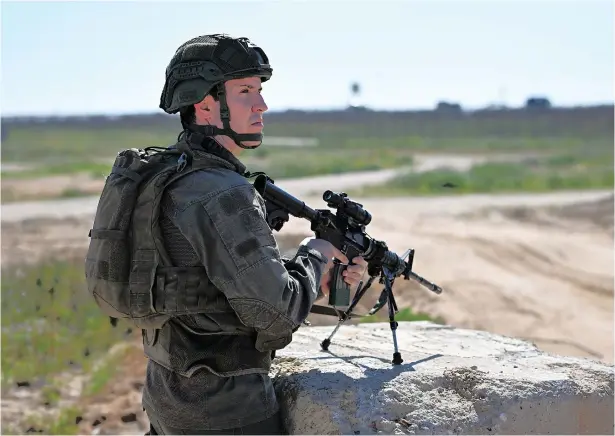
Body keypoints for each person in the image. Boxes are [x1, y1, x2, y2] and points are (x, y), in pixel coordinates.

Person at [141, 34, 368, 435]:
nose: (262, 105)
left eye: (259, 91)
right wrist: (315, 253)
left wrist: (313, 280)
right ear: (205, 102)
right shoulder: (223, 192)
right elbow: (275, 315)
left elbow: (206, 286)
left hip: (168, 396)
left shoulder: (169, 174)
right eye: (245, 91)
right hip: (226, 409)